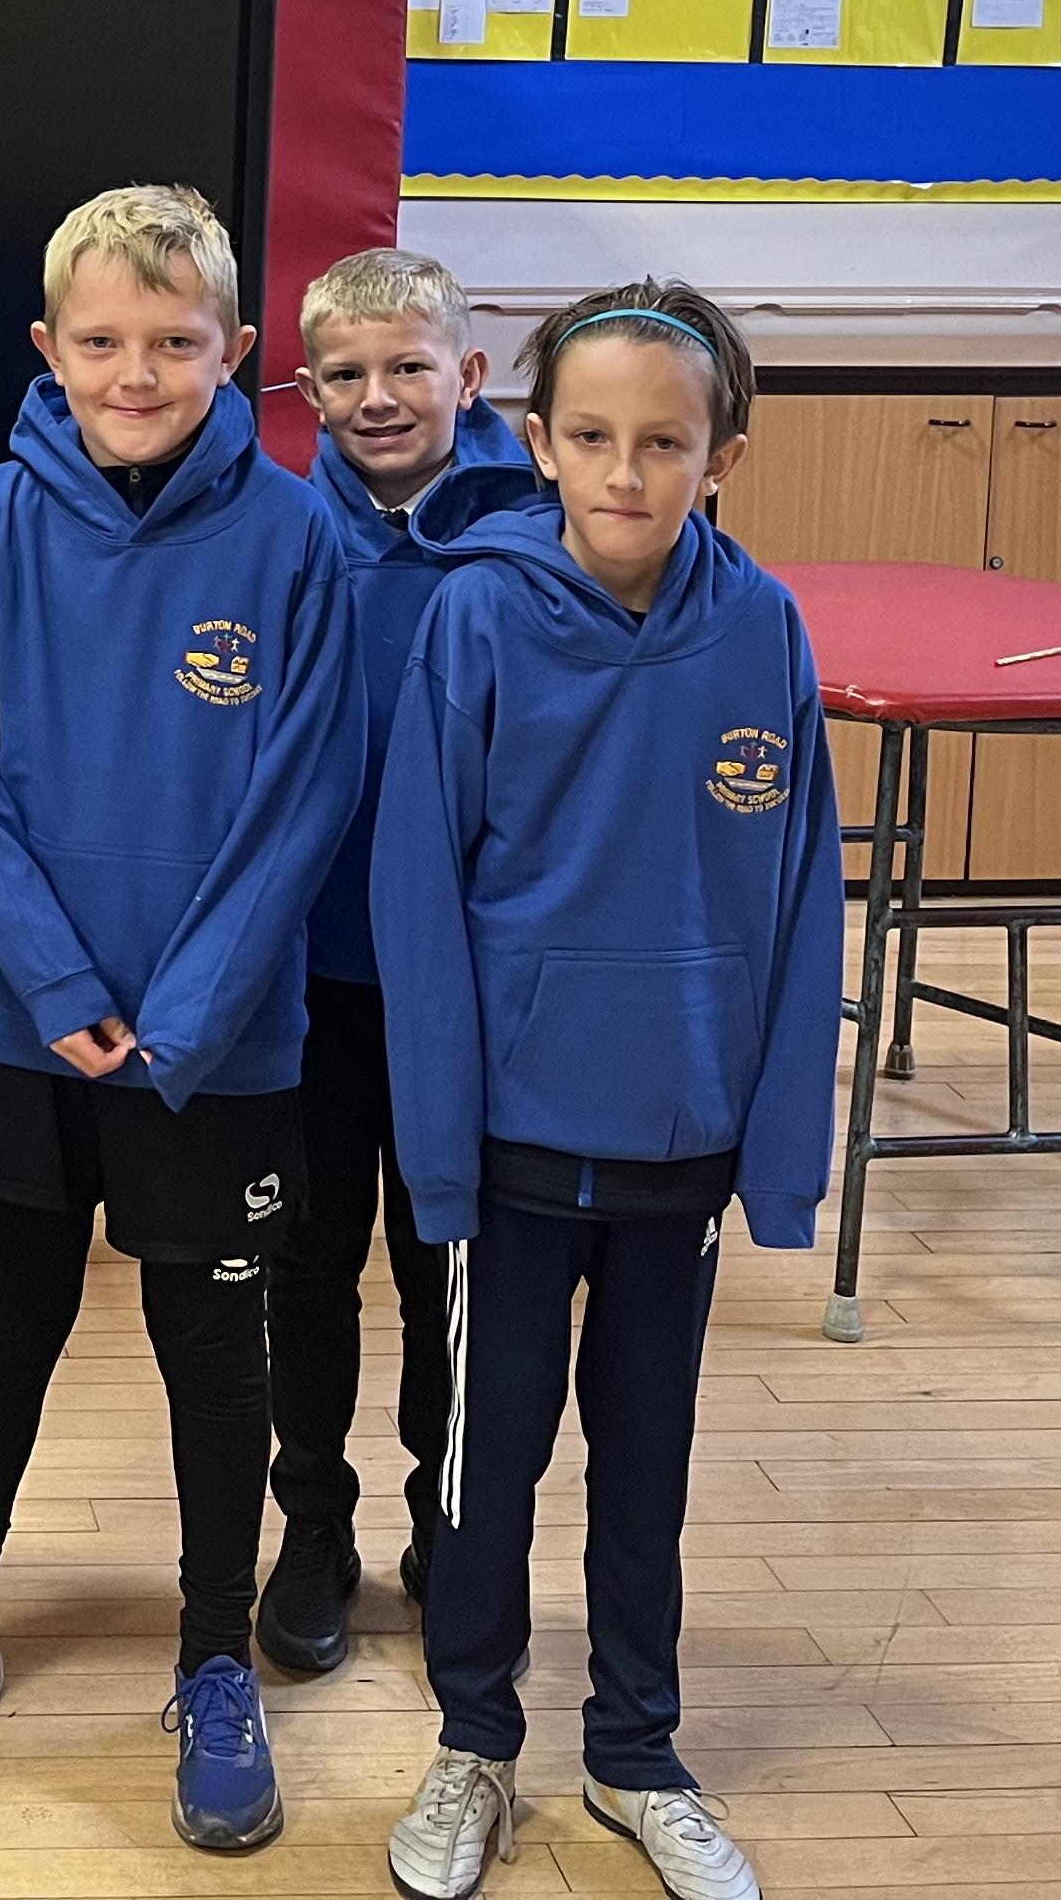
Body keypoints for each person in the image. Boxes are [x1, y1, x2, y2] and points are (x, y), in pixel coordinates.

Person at [0, 184, 360, 1857]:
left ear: (237, 349)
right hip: (27, 1028)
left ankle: (214, 1657)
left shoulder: (296, 537)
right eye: (105, 342)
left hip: (224, 1042)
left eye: (176, 343)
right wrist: (59, 987)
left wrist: (187, 1011)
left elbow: (304, 795)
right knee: (6, 1325)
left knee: (215, 1351)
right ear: (49, 349)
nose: (138, 373)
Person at [372, 281, 842, 1900]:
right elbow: (419, 898)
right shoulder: (475, 619)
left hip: (677, 1151)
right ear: (538, 441)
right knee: (486, 1468)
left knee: (648, 1471)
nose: (626, 473)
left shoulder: (765, 630)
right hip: (507, 1156)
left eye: (664, 443)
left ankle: (638, 1750)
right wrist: (438, 1153)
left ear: (723, 457)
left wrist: (777, 1161)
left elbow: (803, 902)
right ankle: (472, 1744)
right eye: (591, 437)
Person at [252, 248, 538, 1677]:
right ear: (306, 391)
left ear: (467, 376)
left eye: (408, 368)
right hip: (303, 981)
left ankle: (451, 1521)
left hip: (465, 990)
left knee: (446, 1270)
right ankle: (314, 1523)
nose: (378, 397)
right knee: (306, 1267)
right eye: (346, 374)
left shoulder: (536, 536)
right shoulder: (266, 530)